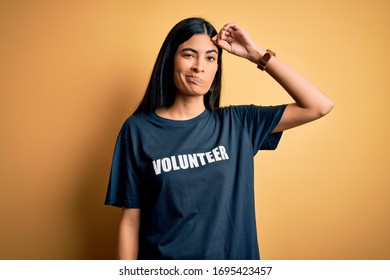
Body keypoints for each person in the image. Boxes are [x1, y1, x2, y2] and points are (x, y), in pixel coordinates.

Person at [105, 17, 333, 260]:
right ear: (170, 60)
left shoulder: (239, 123)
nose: (199, 66)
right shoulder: (138, 129)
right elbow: (130, 222)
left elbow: (318, 105)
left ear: (217, 67)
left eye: (210, 57)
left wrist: (256, 55)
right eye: (189, 55)